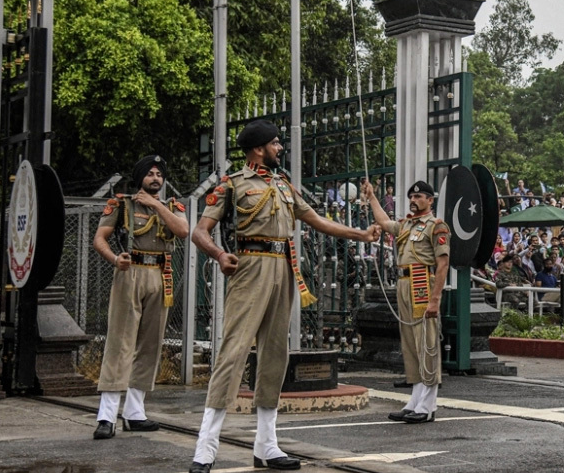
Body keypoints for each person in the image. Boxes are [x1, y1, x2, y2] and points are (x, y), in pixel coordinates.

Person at [188, 120, 379, 473]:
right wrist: (218, 255)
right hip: (250, 268)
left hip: (283, 270)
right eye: (275, 143)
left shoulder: (284, 185)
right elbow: (200, 231)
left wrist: (360, 235)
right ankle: (205, 448)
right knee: (233, 353)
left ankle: (267, 446)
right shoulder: (232, 184)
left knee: (275, 356)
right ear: (258, 148)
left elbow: (317, 220)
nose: (280, 148)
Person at [92, 155, 188, 439]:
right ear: (140, 178)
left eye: (159, 173)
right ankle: (106, 416)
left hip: (162, 273)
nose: (156, 177)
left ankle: (135, 413)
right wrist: (114, 259)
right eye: (150, 173)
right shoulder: (122, 204)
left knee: (150, 344)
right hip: (131, 270)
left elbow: (182, 231)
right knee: (120, 342)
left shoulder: (172, 206)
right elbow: (100, 238)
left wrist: (156, 204)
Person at [363, 179, 450, 425]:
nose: (414, 200)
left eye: (419, 197)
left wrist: (435, 299)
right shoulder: (406, 225)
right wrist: (371, 197)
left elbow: (442, 264)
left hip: (423, 280)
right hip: (404, 282)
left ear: (430, 200)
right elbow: (382, 221)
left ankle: (428, 404)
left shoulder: (436, 226)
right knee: (410, 343)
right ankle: (415, 400)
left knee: (427, 342)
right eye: (412, 197)